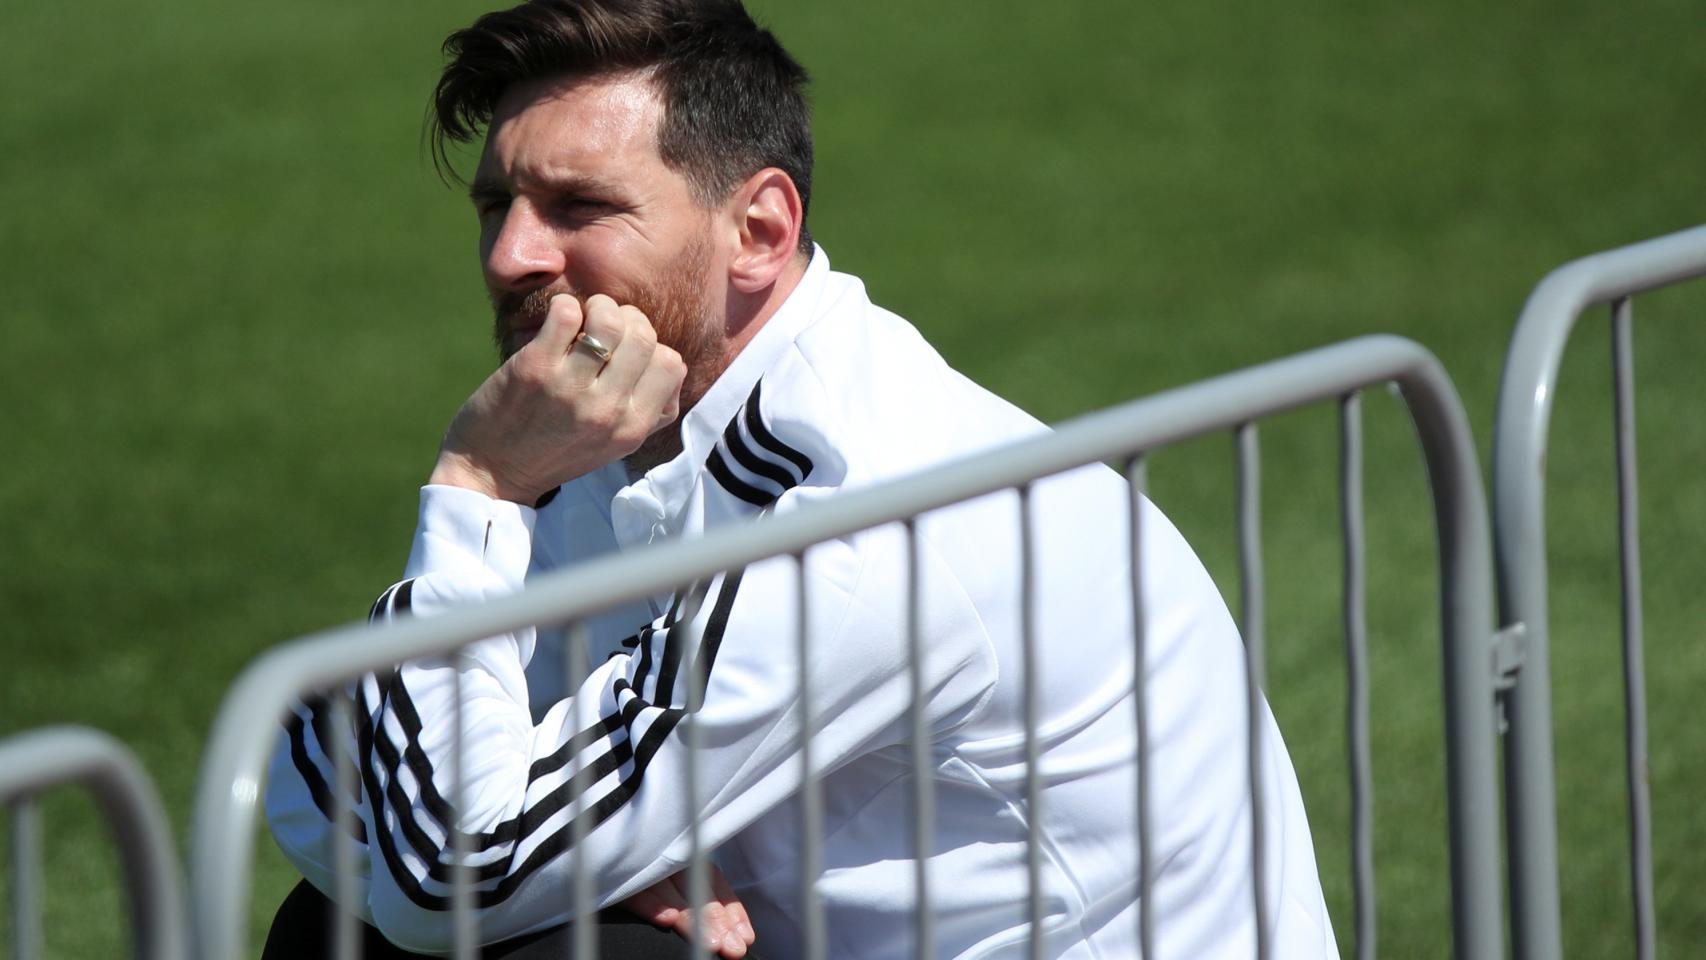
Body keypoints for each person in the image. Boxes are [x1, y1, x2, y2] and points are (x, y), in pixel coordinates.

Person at [264, 1, 1339, 957]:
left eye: (577, 208)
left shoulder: (864, 512)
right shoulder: (626, 429)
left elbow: (450, 867)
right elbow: (309, 750)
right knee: (355, 926)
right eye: (497, 204)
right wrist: (585, 857)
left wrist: (477, 490)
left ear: (759, 231)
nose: (509, 255)